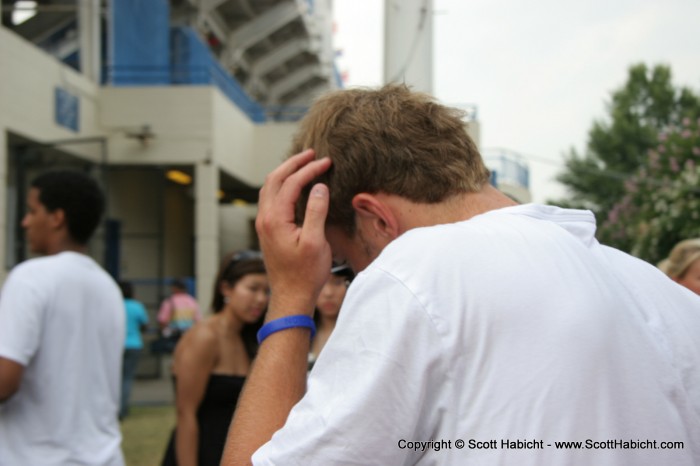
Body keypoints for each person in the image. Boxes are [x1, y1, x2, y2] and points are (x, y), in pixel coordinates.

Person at [222, 84, 700, 465]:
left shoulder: (415, 271)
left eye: (344, 264)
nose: (349, 279)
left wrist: (289, 293)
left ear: (375, 218)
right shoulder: (663, 293)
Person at [0, 170, 125, 466]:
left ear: (57, 218)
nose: (25, 222)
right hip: (104, 457)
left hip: (37, 458)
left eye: (32, 211)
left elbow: (5, 379)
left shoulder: (30, 276)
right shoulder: (108, 287)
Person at [161, 250, 269, 466]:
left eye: (266, 291)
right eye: (252, 288)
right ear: (226, 289)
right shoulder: (205, 336)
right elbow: (186, 414)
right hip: (199, 453)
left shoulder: (248, 338)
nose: (260, 299)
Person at [308, 264, 353, 370]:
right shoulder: (301, 333)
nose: (328, 293)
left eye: (337, 283)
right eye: (320, 283)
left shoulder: (359, 334)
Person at [119, 280, 150, 420]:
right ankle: (123, 409)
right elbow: (145, 326)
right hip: (134, 344)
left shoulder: (115, 305)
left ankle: (113, 408)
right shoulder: (137, 306)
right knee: (127, 378)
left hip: (117, 346)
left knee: (115, 379)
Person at [157, 278, 201, 348]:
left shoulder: (170, 301)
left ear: (174, 288)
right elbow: (198, 321)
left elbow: (162, 321)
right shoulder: (192, 301)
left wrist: (164, 332)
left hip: (173, 337)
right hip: (188, 336)